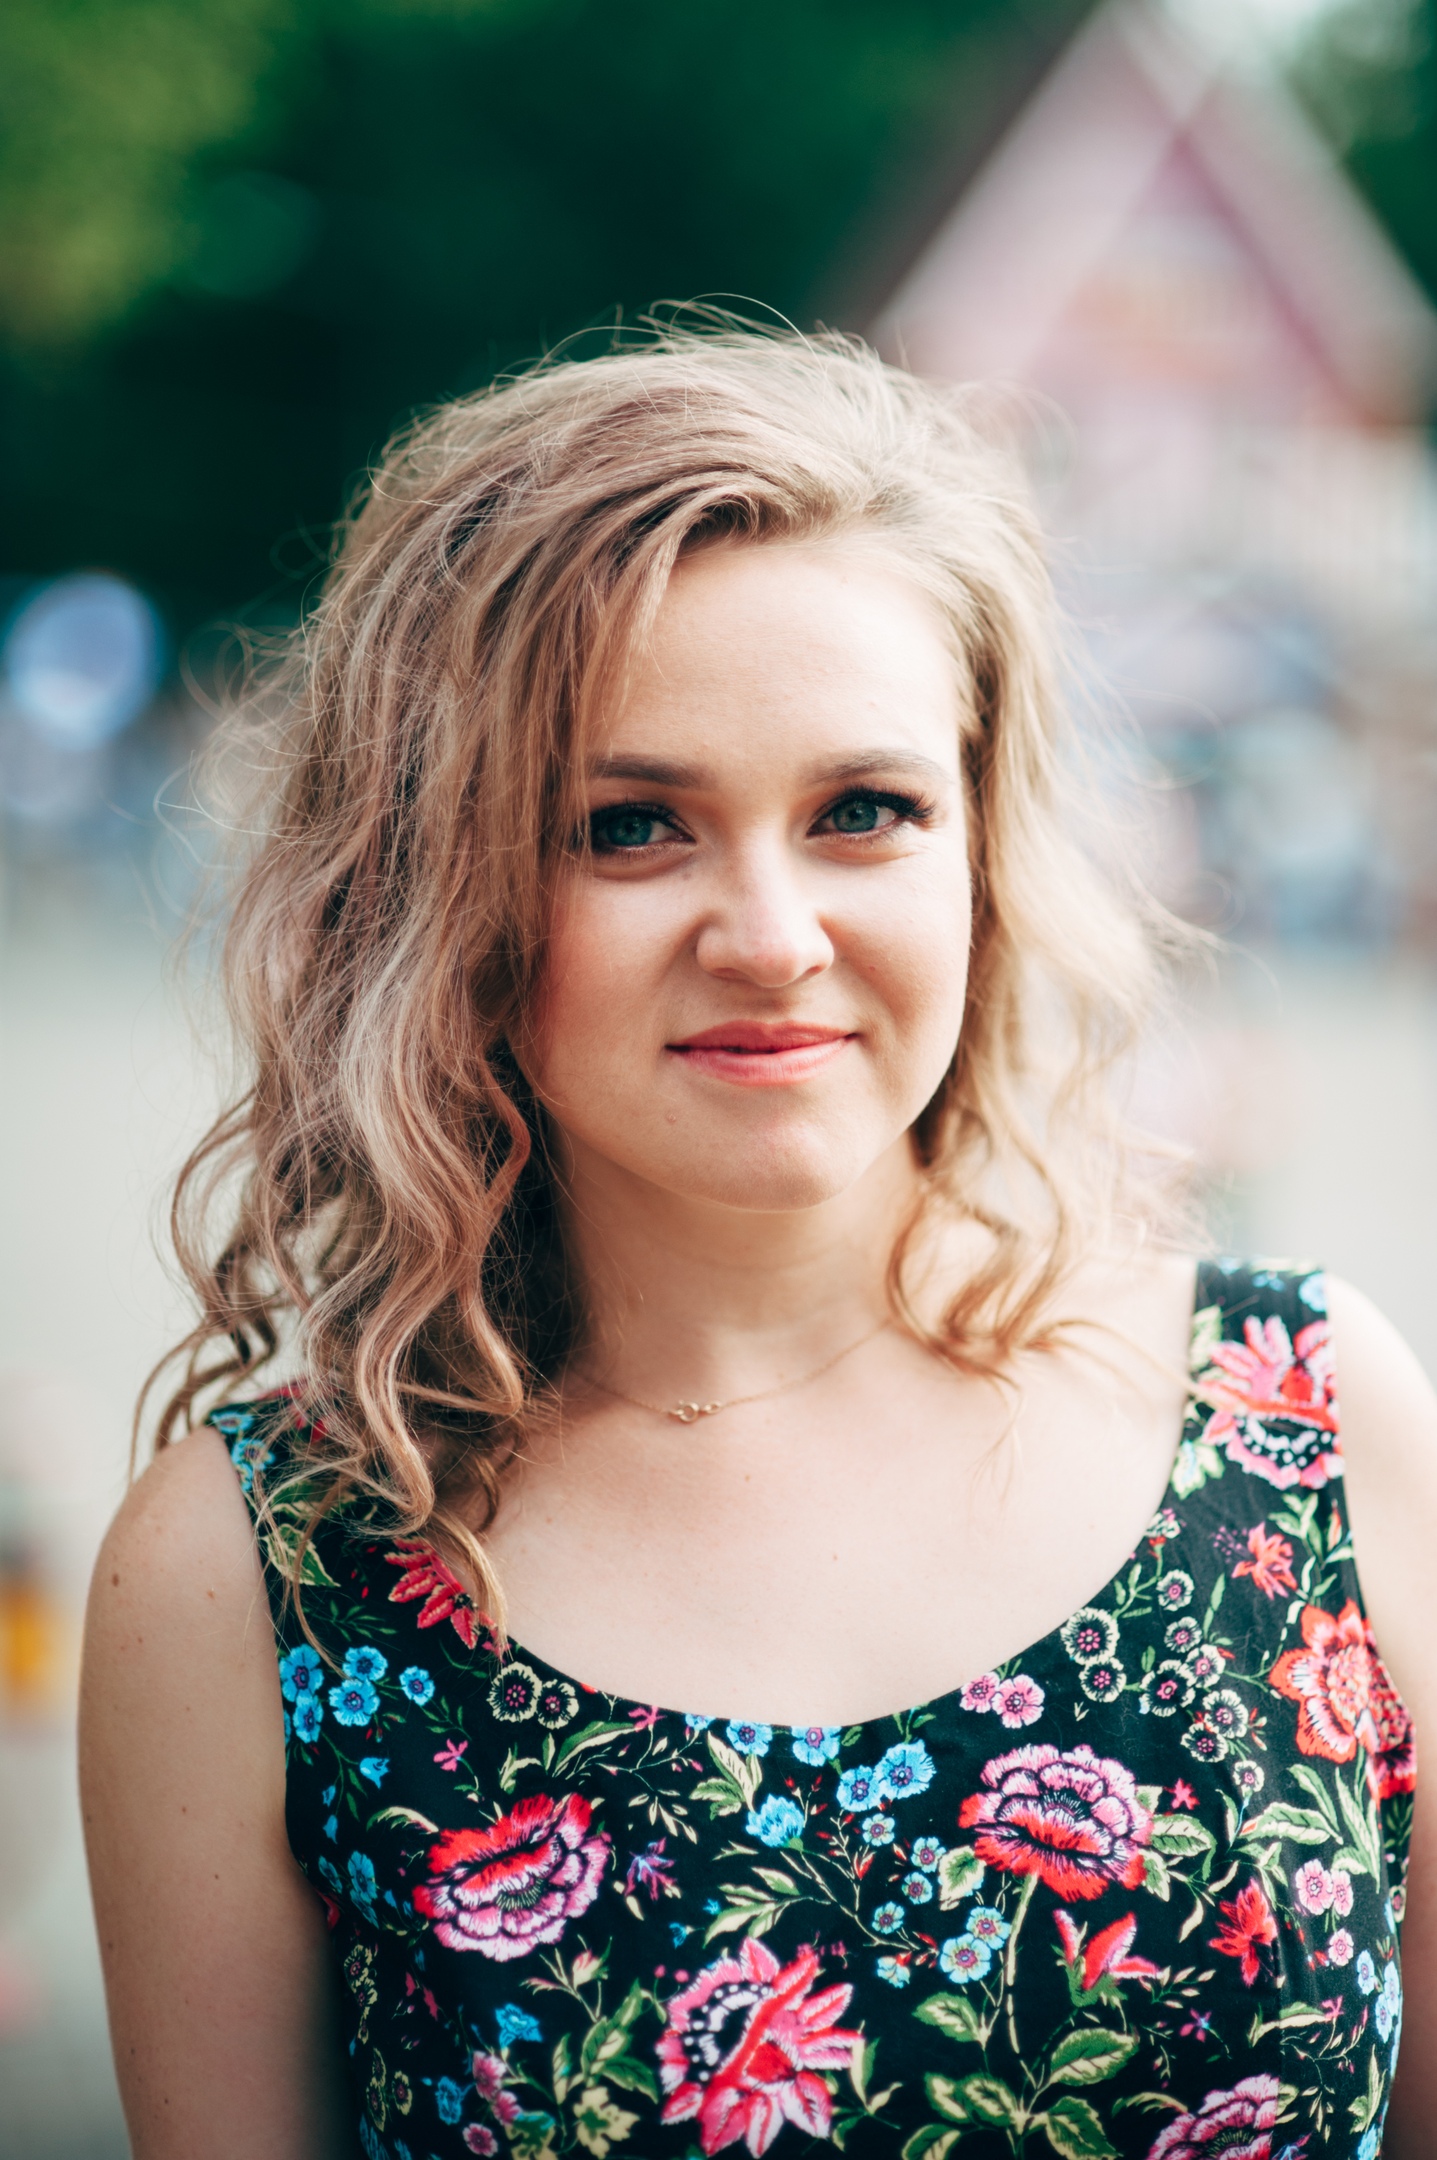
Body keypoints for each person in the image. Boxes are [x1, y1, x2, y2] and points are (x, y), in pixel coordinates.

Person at [79, 327, 1435, 2160]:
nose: (774, 936)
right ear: (433, 886)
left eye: (862, 811)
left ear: (980, 847)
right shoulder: (252, 1579)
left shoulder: (1309, 1422)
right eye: (631, 827)